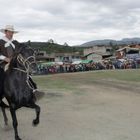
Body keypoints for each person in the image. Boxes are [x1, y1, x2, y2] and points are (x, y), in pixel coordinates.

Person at [0, 25, 41, 94]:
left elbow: (22, 50)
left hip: (15, 62)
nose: (11, 34)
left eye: (12, 32)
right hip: (4, 62)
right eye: (9, 32)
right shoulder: (0, 42)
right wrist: (5, 58)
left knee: (25, 71)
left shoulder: (16, 42)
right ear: (5, 32)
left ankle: (33, 88)